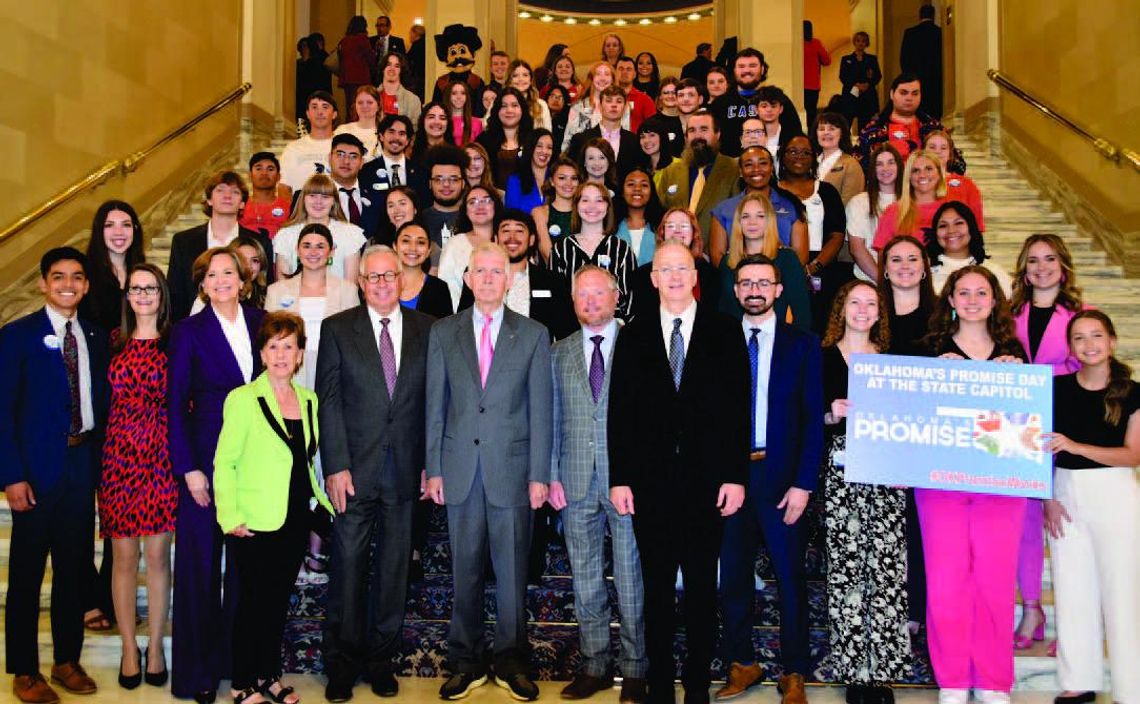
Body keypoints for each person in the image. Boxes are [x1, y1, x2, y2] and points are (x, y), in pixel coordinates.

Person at [608, 241, 750, 704]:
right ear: (652, 279)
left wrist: (735, 476)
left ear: (695, 275)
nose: (673, 276)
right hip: (650, 486)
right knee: (657, 591)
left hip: (708, 485)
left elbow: (737, 411)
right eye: (665, 269)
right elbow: (620, 414)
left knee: (702, 592)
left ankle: (695, 685)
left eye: (682, 268)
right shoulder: (634, 334)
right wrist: (620, 477)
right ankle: (662, 683)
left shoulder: (725, 331)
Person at [425, 242, 553, 701]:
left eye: (496, 272)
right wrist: (433, 467)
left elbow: (542, 409)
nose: (487, 279)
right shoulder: (443, 332)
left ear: (510, 279)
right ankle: (466, 660)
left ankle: (512, 658)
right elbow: (435, 406)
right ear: (466, 277)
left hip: (513, 471)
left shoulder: (534, 334)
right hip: (459, 468)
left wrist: (540, 473)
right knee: (465, 570)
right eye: (479, 271)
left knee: (513, 570)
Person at [316, 244, 435, 701]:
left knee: (392, 569)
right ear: (361, 283)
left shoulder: (429, 330)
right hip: (354, 471)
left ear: (401, 281)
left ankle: (382, 660)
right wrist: (336, 465)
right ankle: (342, 663)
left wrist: (431, 464)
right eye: (374, 277)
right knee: (347, 566)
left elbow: (434, 405)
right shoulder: (337, 330)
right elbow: (328, 401)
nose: (383, 283)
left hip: (406, 471)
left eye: (390, 276)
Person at [2, 247, 109, 704]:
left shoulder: (95, 334)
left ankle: (66, 660)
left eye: (78, 277)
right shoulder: (17, 335)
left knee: (73, 569)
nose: (69, 283)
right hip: (35, 471)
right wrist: (11, 474)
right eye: (59, 276)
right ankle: (24, 670)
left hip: (81, 465)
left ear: (86, 286)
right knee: (27, 574)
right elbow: (2, 410)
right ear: (44, 283)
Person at [917, 265, 1027, 704]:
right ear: (950, 299)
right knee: (945, 583)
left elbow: (1026, 422)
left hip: (1000, 482)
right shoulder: (930, 350)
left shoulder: (1013, 350)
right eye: (964, 292)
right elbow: (912, 418)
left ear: (995, 300)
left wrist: (1016, 375)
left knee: (995, 581)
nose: (973, 299)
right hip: (940, 482)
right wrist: (933, 381)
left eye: (982, 292)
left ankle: (994, 679)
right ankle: (954, 679)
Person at [213, 312, 333, 704]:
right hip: (254, 520)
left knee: (277, 604)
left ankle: (269, 676)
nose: (281, 354)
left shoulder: (309, 401)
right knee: (251, 605)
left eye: (289, 346)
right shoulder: (243, 399)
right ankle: (242, 683)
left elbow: (306, 459)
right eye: (273, 346)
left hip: (294, 517)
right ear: (262, 353)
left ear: (300, 354)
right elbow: (225, 463)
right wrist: (230, 516)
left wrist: (322, 504)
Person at [168, 247, 265, 703]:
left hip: (255, 462)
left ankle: (236, 663)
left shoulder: (264, 321)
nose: (222, 280)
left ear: (243, 279)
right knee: (199, 568)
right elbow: (174, 406)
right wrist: (187, 467)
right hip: (204, 462)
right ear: (202, 284)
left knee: (246, 571)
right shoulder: (188, 332)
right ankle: (198, 672)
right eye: (212, 274)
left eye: (230, 272)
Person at [549, 266, 648, 703]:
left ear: (616, 296)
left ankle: (636, 667)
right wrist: (551, 474)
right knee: (585, 576)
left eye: (598, 294)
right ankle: (594, 665)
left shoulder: (641, 345)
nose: (590, 302)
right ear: (573, 302)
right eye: (581, 296)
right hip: (573, 480)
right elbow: (549, 418)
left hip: (625, 480)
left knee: (630, 575)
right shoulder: (559, 351)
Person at [819, 280, 910, 703]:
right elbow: (803, 416)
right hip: (842, 473)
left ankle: (885, 672)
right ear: (841, 308)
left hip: (887, 472)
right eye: (854, 301)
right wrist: (828, 414)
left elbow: (909, 422)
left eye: (870, 303)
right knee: (848, 571)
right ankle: (857, 672)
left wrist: (907, 466)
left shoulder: (893, 362)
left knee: (888, 571)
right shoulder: (821, 359)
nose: (862, 309)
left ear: (879, 312)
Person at [1046, 310, 1140, 704]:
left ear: (1112, 341)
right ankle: (1079, 680)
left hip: (1114, 493)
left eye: (1097, 335)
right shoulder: (1056, 389)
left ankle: (1131, 686)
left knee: (1123, 592)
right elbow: (1040, 449)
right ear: (1071, 348)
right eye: (1080, 338)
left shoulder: (1132, 392)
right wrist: (1047, 498)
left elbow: (1133, 454)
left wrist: (1076, 446)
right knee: (1071, 587)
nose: (1089, 345)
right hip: (1065, 492)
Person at [99, 263, 176, 691]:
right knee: (124, 560)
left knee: (159, 558)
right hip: (119, 461)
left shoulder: (175, 341)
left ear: (162, 295)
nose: (143, 294)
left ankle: (157, 644)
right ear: (127, 295)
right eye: (136, 288)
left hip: (162, 458)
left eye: (151, 288)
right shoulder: (114, 341)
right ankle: (130, 647)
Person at [1009, 233, 1086, 651]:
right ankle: (1032, 608)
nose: (1041, 267)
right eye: (1033, 259)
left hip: (1065, 430)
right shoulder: (1008, 312)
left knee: (1064, 525)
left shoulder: (1082, 316)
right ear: (1024, 267)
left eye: (1050, 259)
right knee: (1023, 526)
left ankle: (1074, 624)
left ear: (1063, 265)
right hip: (1020, 431)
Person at [876, 234, 936, 632]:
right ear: (883, 268)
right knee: (887, 526)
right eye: (895, 259)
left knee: (922, 526)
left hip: (930, 438)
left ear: (925, 265)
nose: (904, 266)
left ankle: (919, 608)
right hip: (881, 435)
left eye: (912, 258)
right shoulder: (870, 311)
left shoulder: (941, 315)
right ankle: (888, 607)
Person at [168, 171, 273, 320]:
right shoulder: (183, 241)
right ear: (209, 199)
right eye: (220, 190)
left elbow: (266, 289)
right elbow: (175, 293)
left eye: (235, 192)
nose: (227, 196)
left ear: (243, 203)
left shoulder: (260, 242)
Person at [265, 223, 360, 388]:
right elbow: (269, 341)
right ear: (297, 250)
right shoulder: (276, 291)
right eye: (307, 246)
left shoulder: (348, 291)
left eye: (320, 246)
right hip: (289, 372)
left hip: (334, 373)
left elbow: (355, 341)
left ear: (331, 251)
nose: (313, 252)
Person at [777, 135, 846, 332]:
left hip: (819, 268)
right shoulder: (771, 191)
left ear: (813, 158)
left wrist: (813, 267)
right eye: (792, 151)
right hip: (779, 267)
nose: (799, 156)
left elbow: (836, 235)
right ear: (782, 156)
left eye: (806, 152)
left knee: (818, 327)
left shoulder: (827, 191)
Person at [716, 192, 812, 330]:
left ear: (769, 221)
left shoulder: (787, 259)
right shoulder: (727, 262)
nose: (752, 222)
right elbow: (723, 311)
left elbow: (802, 312)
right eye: (745, 216)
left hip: (777, 342)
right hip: (735, 343)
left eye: (760, 216)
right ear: (738, 222)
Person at [709, 145, 809, 266]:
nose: (756, 169)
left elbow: (801, 257)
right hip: (739, 280)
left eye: (763, 163)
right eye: (748, 164)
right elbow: (717, 256)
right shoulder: (723, 209)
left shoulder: (792, 206)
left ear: (771, 168)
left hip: (783, 281)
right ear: (740, 171)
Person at [551, 182, 636, 321]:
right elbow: (556, 297)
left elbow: (631, 297)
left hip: (615, 330)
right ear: (576, 205)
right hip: (570, 331)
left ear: (608, 206)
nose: (592, 206)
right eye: (585, 200)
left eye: (599, 200)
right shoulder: (561, 249)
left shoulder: (621, 248)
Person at [655, 110, 740, 247]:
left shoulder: (733, 169)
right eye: (692, 130)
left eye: (704, 129)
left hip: (718, 256)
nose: (698, 135)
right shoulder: (670, 172)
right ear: (686, 137)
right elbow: (660, 215)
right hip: (676, 254)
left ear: (717, 134)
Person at [629, 208, 720, 322]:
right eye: (671, 226)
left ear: (694, 233)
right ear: (662, 233)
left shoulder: (711, 275)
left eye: (684, 226)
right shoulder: (642, 275)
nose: (677, 231)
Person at [857, 74, 962, 173]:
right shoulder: (873, 129)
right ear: (892, 94)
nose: (909, 98)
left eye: (915, 93)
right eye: (903, 93)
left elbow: (959, 165)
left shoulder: (933, 127)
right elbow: (858, 163)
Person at [273, 174, 365, 282]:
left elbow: (351, 287)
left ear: (334, 202)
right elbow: (283, 285)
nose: (318, 202)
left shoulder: (350, 234)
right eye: (312, 195)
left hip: (339, 298)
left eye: (325, 197)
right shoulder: (285, 235)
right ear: (303, 199)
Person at [82, 200, 146, 335]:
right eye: (109, 225)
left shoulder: (144, 274)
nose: (119, 232)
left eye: (126, 225)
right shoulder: (85, 274)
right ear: (99, 231)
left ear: (135, 229)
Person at [928, 201, 1012, 296]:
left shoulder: (993, 270)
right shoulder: (924, 271)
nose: (951, 230)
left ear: (971, 228)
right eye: (943, 225)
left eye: (958, 223)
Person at [439, 185, 502, 309]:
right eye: (472, 202)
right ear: (465, 210)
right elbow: (447, 287)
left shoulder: (507, 240)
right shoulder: (455, 244)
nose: (480, 206)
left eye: (486, 200)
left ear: (495, 205)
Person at [871, 149, 947, 252]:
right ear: (909, 177)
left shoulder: (952, 210)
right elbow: (883, 256)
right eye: (915, 170)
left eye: (928, 169)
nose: (922, 175)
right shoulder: (893, 211)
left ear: (939, 174)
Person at [847, 144, 903, 282]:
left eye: (891, 162)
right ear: (873, 169)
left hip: (907, 281)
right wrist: (883, 281)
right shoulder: (859, 202)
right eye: (879, 164)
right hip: (869, 281)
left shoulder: (912, 201)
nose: (885, 168)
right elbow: (857, 249)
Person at [708, 48, 769, 158]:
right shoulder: (719, 104)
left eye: (752, 66)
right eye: (741, 66)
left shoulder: (775, 100)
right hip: (729, 169)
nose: (746, 70)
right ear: (734, 70)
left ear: (762, 69)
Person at [567, 86, 641, 177]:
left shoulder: (634, 141)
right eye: (609, 101)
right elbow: (574, 173)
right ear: (600, 106)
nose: (614, 105)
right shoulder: (580, 139)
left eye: (619, 101)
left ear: (625, 107)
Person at [325, 133, 385, 238]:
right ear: (330, 158)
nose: (346, 161)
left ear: (362, 162)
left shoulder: (376, 196)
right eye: (340, 154)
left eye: (353, 156)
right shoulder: (312, 195)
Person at [360, 114, 426, 207]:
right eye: (391, 132)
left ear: (407, 140)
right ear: (381, 136)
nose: (396, 138)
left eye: (402, 134)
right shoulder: (367, 171)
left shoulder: (420, 171)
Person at [418, 144, 470, 262]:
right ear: (430, 184)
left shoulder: (473, 219)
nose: (446, 184)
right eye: (439, 179)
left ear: (463, 183)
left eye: (453, 179)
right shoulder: (418, 220)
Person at [924, 131, 984, 229]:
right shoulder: (914, 182)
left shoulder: (967, 184)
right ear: (923, 151)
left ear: (950, 154)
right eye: (932, 147)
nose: (937, 151)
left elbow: (977, 226)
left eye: (943, 148)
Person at [394, 222, 454, 319]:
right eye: (406, 241)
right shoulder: (382, 283)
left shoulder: (439, 288)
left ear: (429, 251)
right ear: (395, 246)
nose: (413, 248)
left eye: (421, 242)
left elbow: (445, 331)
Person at [476, 87, 534, 188]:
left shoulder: (533, 139)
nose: (509, 110)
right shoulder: (484, 140)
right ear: (497, 110)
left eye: (514, 105)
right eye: (504, 106)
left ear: (522, 109)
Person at [282, 91, 338, 192]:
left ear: (334, 114)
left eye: (325, 107)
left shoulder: (342, 147)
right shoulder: (293, 148)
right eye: (314, 107)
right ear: (307, 114)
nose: (319, 112)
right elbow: (284, 186)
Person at [561, 62, 622, 155]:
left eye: (607, 74)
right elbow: (568, 139)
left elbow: (624, 134)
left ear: (613, 79)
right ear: (592, 78)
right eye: (598, 74)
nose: (602, 78)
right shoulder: (578, 107)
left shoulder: (621, 106)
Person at [533, 156, 581, 263]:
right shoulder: (540, 212)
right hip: (551, 275)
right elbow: (547, 253)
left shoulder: (584, 213)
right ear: (552, 181)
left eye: (574, 178)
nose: (568, 183)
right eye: (562, 178)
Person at [615, 167, 665, 265]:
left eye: (644, 185)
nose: (637, 189)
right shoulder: (610, 225)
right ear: (622, 191)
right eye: (631, 184)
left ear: (652, 191)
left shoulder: (663, 226)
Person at [812, 112, 865, 205]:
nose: (826, 132)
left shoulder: (851, 165)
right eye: (821, 129)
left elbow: (850, 204)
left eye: (832, 129)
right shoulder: (810, 163)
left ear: (842, 133)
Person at [900, 5, 943, 119]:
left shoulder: (910, 33)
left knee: (918, 108)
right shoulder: (940, 33)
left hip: (916, 77)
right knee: (934, 108)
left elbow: (904, 58)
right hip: (936, 78)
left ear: (920, 15)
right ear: (933, 15)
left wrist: (908, 77)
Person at [240, 152, 293, 239]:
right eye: (258, 168)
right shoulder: (239, 206)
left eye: (270, 169)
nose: (264, 173)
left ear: (278, 177)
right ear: (250, 176)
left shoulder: (289, 208)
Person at [333, 16, 375, 122]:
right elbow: (371, 59)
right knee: (361, 104)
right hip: (361, 77)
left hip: (347, 78)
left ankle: (349, 124)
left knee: (350, 105)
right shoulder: (363, 39)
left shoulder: (344, 40)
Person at [838, 31, 882, 132]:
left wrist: (868, 84)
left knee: (865, 124)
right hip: (851, 94)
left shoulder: (872, 59)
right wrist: (856, 84)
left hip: (867, 95)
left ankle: (864, 144)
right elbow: (843, 76)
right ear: (854, 42)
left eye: (863, 41)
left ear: (866, 43)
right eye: (858, 41)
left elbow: (878, 75)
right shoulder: (846, 59)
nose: (860, 43)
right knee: (846, 121)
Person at [504, 128, 554, 214]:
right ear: (530, 148)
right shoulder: (515, 180)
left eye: (549, 147)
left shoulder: (557, 178)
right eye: (539, 146)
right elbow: (511, 214)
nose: (545, 151)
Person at [333, 86, 383, 160]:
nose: (365, 106)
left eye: (369, 102)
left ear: (378, 106)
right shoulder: (342, 130)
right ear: (355, 106)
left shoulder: (385, 133)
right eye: (360, 103)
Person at [755, 86, 803, 163]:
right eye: (764, 106)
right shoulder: (751, 137)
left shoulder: (792, 137)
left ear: (781, 109)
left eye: (773, 106)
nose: (769, 110)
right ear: (756, 110)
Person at [376, 52, 423, 125]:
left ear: (401, 71)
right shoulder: (372, 96)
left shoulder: (413, 100)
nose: (392, 68)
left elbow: (415, 131)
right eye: (388, 64)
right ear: (383, 69)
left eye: (397, 66)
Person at [614, 56, 657, 133]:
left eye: (628, 69)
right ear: (615, 73)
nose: (624, 72)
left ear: (634, 74)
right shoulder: (606, 98)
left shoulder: (645, 100)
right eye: (621, 69)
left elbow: (653, 129)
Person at [802, 21, 832, 129]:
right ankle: (811, 135)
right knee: (811, 112)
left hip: (798, 85)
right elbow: (827, 61)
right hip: (813, 84)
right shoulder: (816, 43)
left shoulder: (796, 44)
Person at [508, 59, 553, 131]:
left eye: (525, 75)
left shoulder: (541, 104)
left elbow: (547, 134)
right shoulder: (499, 102)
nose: (520, 79)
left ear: (531, 79)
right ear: (509, 80)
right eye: (515, 75)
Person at [652, 78, 685, 157]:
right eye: (666, 93)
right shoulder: (651, 123)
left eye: (674, 92)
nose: (670, 96)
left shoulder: (688, 121)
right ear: (660, 96)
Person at [446, 80, 483, 145]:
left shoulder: (477, 123)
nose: (459, 97)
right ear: (448, 96)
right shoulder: (443, 121)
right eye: (454, 93)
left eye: (463, 93)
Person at [546, 84, 572, 157]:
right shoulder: (540, 116)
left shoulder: (568, 120)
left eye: (560, 97)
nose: (556, 100)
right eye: (553, 96)